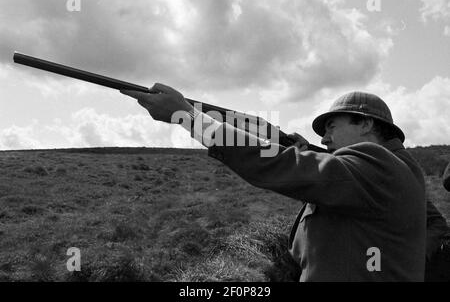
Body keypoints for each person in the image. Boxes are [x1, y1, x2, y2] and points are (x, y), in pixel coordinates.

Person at [121, 85, 428, 281]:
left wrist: (188, 116)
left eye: (332, 126)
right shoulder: (393, 169)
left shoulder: (378, 164)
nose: (324, 137)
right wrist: (291, 144)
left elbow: (285, 165)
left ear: (366, 124)